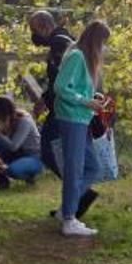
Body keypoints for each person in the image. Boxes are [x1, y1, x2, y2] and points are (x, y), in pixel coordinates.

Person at [52, 21, 111, 236]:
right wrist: (86, 102)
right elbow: (60, 87)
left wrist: (92, 98)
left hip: (81, 119)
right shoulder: (77, 56)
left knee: (93, 167)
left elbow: (76, 88)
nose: (104, 48)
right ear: (96, 41)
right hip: (72, 118)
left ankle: (66, 208)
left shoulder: (83, 59)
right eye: (103, 42)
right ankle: (69, 218)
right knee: (74, 169)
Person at [28, 10, 76, 176]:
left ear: (44, 26)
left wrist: (44, 101)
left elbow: (59, 78)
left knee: (48, 149)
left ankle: (78, 190)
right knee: (62, 151)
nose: (33, 35)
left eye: (34, 30)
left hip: (63, 105)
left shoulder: (59, 44)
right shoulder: (67, 40)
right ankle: (76, 192)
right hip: (67, 103)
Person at [0, 96, 44, 187]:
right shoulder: (9, 119)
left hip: (33, 156)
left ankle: (29, 175)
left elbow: (13, 146)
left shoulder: (24, 121)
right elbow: (5, 140)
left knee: (12, 170)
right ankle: (3, 181)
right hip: (18, 153)